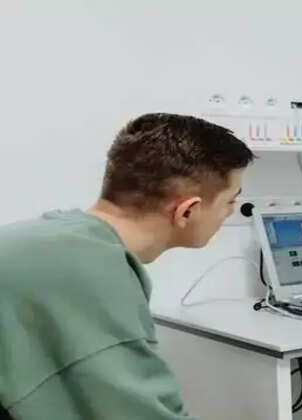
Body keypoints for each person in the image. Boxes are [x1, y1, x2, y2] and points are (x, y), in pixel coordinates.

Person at [0, 113, 254, 419]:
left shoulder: (53, 237)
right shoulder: (91, 275)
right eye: (230, 201)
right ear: (187, 211)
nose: (230, 213)